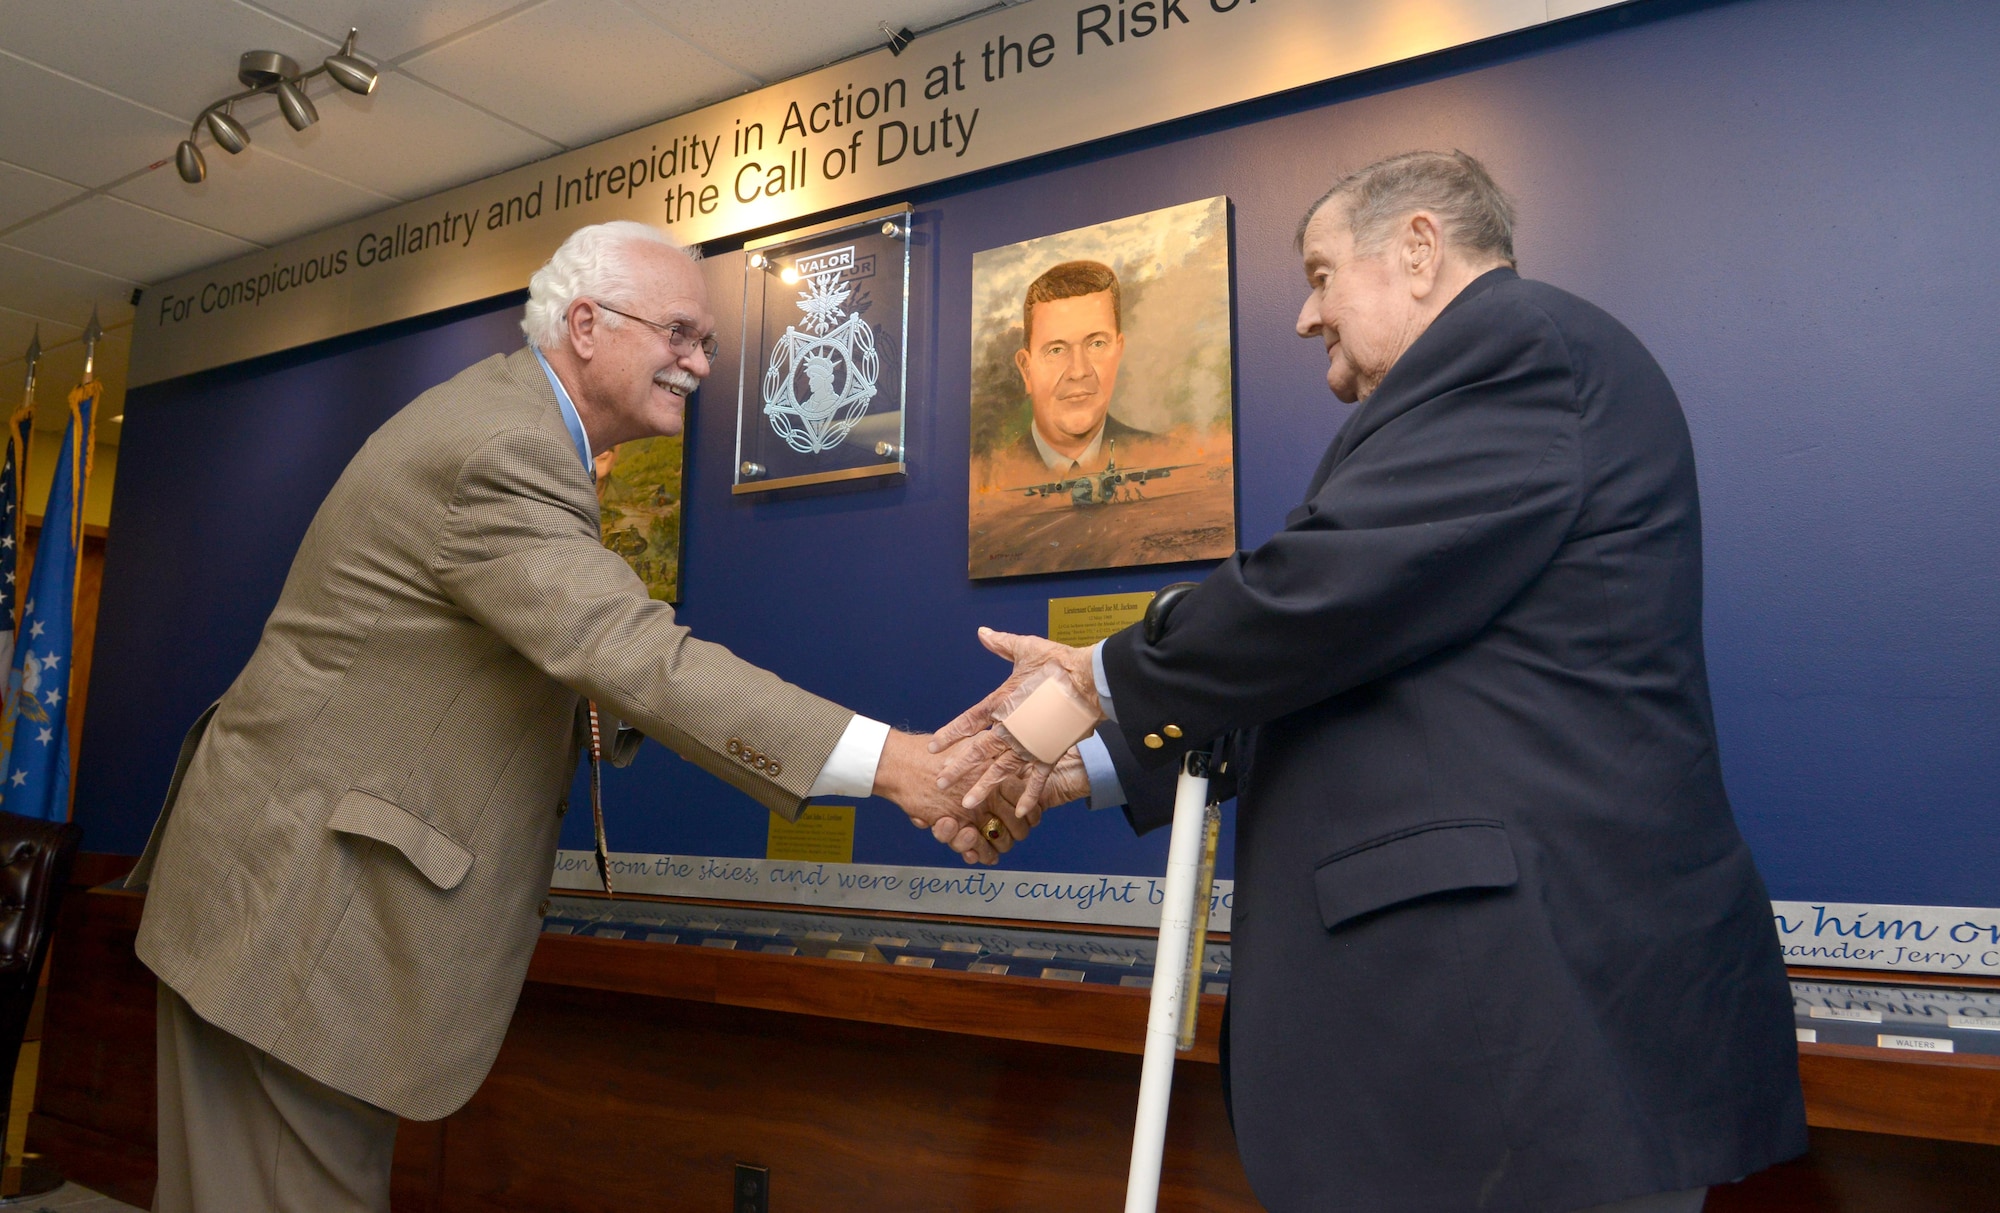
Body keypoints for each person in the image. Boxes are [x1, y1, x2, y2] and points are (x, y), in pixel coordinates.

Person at [940, 152, 1806, 1213]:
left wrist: (1096, 674)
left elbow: (1322, 590)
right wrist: (1082, 771)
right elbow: (1349, 662)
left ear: (1417, 248)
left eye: (1317, 274)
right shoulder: (1479, 394)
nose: (1305, 317)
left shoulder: (1516, 348)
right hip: (1490, 1050)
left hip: (1527, 1029)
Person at [127, 220, 1016, 1213]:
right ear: (585, 325)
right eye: (679, 333)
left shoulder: (519, 431)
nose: (700, 363)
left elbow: (561, 660)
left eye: (708, 343)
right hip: (292, 916)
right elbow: (635, 654)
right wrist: (898, 763)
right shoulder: (502, 446)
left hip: (283, 902)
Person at [1008, 259, 1154, 471]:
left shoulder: (1172, 458)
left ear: (1118, 352)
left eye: (1096, 344)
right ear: (1026, 369)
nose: (1078, 371)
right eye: (1056, 350)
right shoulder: (988, 475)